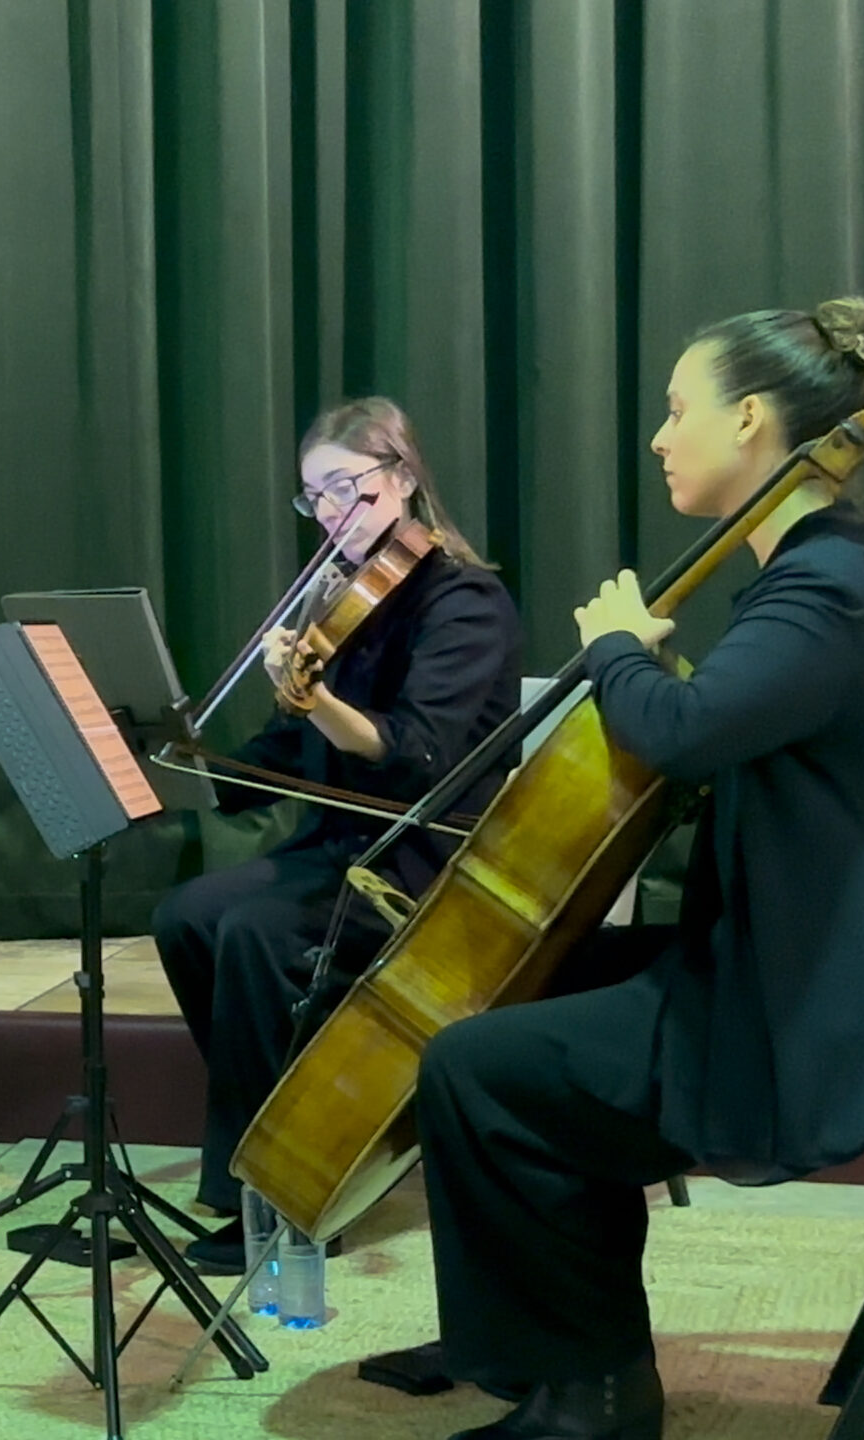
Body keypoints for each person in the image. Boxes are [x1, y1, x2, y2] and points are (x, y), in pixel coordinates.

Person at [414, 298, 864, 1440]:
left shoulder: (824, 587)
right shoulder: (821, 577)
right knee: (541, 992)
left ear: (749, 419)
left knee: (479, 1066)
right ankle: (566, 1354)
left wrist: (617, 648)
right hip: (823, 952)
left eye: (677, 410)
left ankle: (585, 1394)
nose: (659, 436)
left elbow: (681, 733)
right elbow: (725, 739)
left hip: (845, 995)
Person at [151, 397, 523, 1272]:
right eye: (314, 497)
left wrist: (318, 700)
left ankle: (273, 1200)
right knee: (188, 916)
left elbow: (414, 754)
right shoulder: (347, 603)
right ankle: (295, 1124)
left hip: (426, 858)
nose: (329, 514)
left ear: (400, 479)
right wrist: (198, 774)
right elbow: (291, 745)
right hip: (339, 852)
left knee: (254, 932)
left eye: (345, 489)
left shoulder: (466, 600)